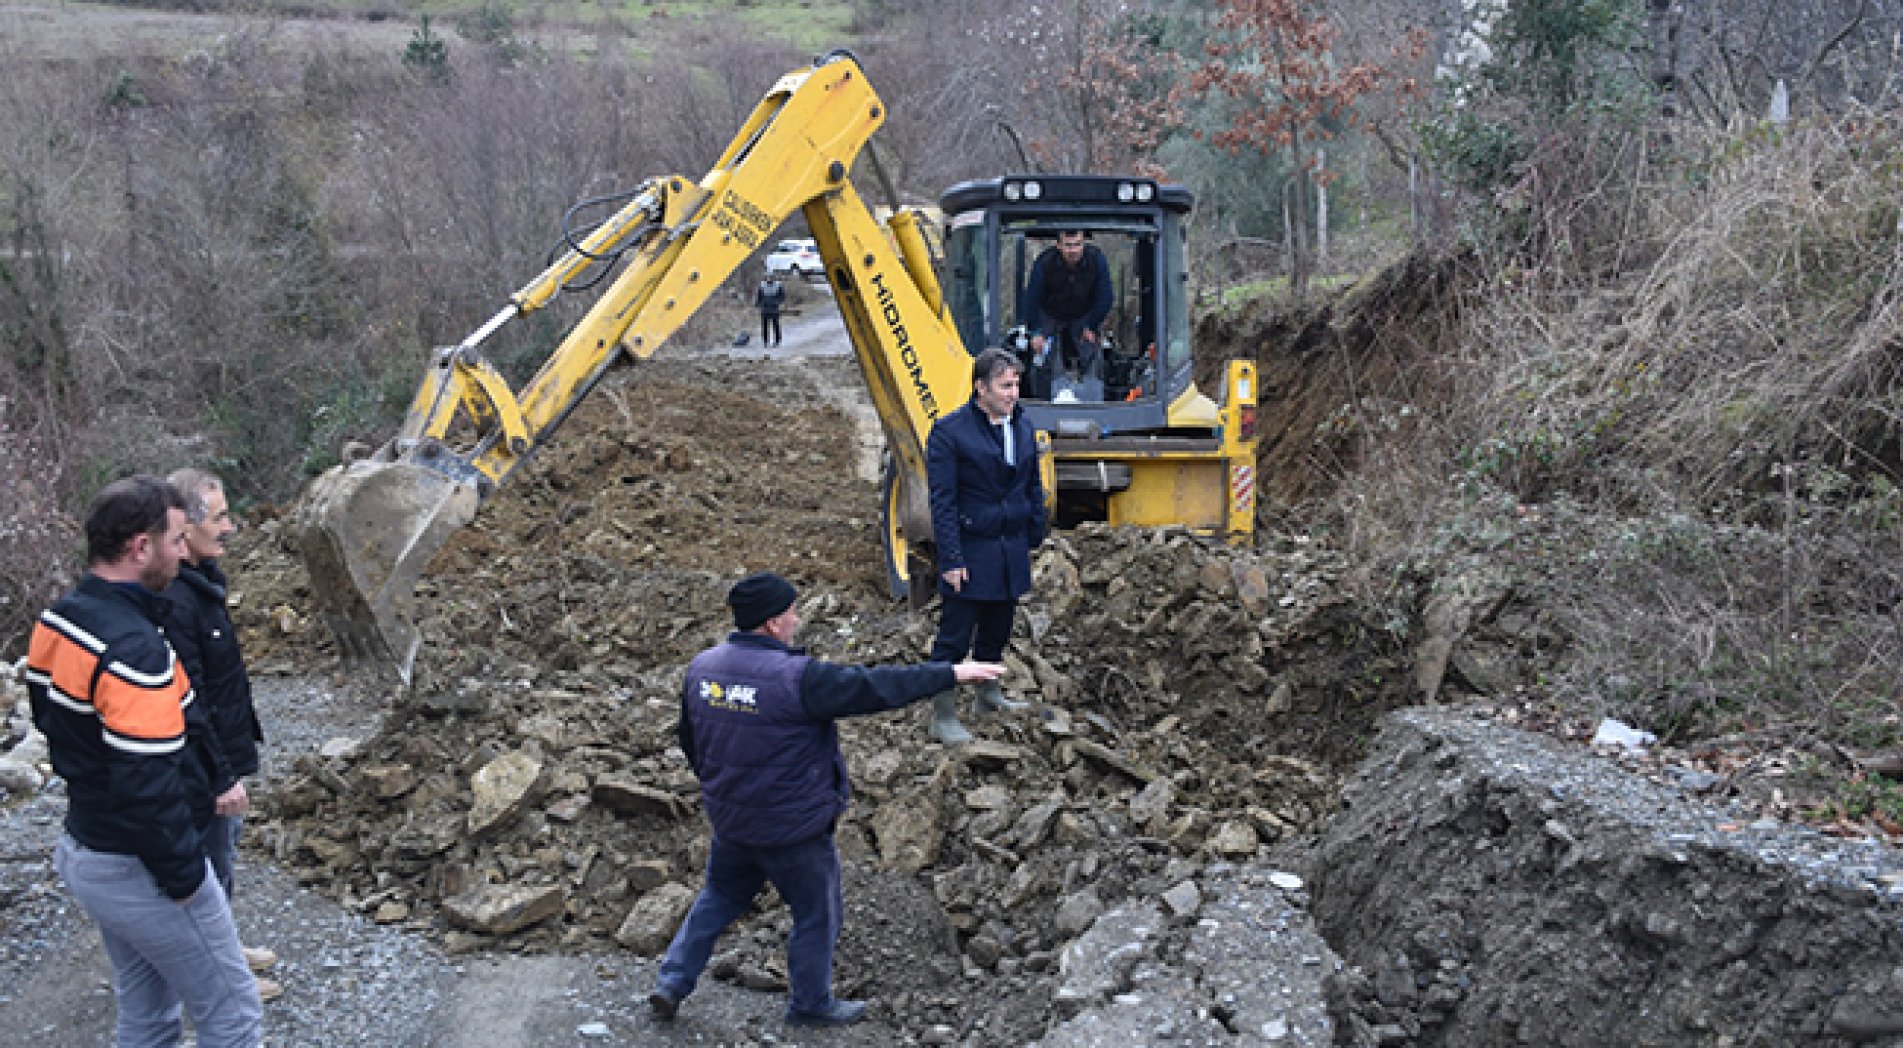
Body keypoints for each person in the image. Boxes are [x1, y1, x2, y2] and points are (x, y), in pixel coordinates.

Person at [649, 572, 1005, 1028]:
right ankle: (811, 1004)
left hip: (732, 822)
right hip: (794, 830)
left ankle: (671, 982)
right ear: (774, 623)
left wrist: (723, 790)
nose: (798, 619)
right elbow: (875, 687)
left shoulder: (702, 669)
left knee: (717, 897)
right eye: (793, 612)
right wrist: (951, 672)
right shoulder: (798, 679)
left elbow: (690, 742)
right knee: (817, 913)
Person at [26, 476, 263, 1047]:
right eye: (178, 538)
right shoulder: (134, 650)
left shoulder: (59, 621)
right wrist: (186, 881)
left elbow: (53, 724)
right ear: (140, 547)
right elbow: (148, 789)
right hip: (141, 867)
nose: (185, 552)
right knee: (234, 1014)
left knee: (150, 1015)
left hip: (87, 848)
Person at [161, 468, 278, 1003]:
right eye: (222, 516)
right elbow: (191, 701)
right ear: (184, 529)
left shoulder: (204, 583)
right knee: (205, 868)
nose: (232, 526)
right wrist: (220, 773)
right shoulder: (177, 604)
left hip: (224, 750)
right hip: (204, 766)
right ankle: (218, 974)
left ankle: (223, 944)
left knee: (223, 859)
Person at [924, 347, 1047, 744]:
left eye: (1016, 385)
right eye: (1005, 385)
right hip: (972, 548)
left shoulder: (1023, 427)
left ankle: (988, 695)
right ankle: (942, 714)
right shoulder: (950, 432)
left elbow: (1031, 482)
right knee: (955, 635)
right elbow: (942, 501)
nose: (1013, 393)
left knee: (998, 626)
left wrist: (1034, 530)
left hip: (1010, 547)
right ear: (981, 388)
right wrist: (952, 558)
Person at [1023, 229, 1112, 400]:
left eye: (1077, 245)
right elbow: (1031, 299)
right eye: (1068, 246)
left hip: (1083, 313)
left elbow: (1105, 297)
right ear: (1058, 246)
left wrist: (1092, 326)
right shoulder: (1045, 262)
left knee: (1090, 351)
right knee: (1042, 356)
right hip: (1050, 312)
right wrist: (1036, 332)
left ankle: (1092, 397)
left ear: (1083, 243)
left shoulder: (1096, 259)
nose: (1073, 250)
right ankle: (1042, 399)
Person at [755, 275, 786, 348]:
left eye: (771, 277)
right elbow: (759, 296)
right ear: (766, 278)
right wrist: (758, 304)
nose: (770, 279)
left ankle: (777, 341)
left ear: (774, 278)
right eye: (768, 277)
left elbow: (782, 296)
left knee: (776, 325)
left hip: (774, 307)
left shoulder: (778, 285)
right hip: (765, 308)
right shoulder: (762, 285)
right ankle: (765, 341)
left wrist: (777, 302)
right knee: (765, 325)